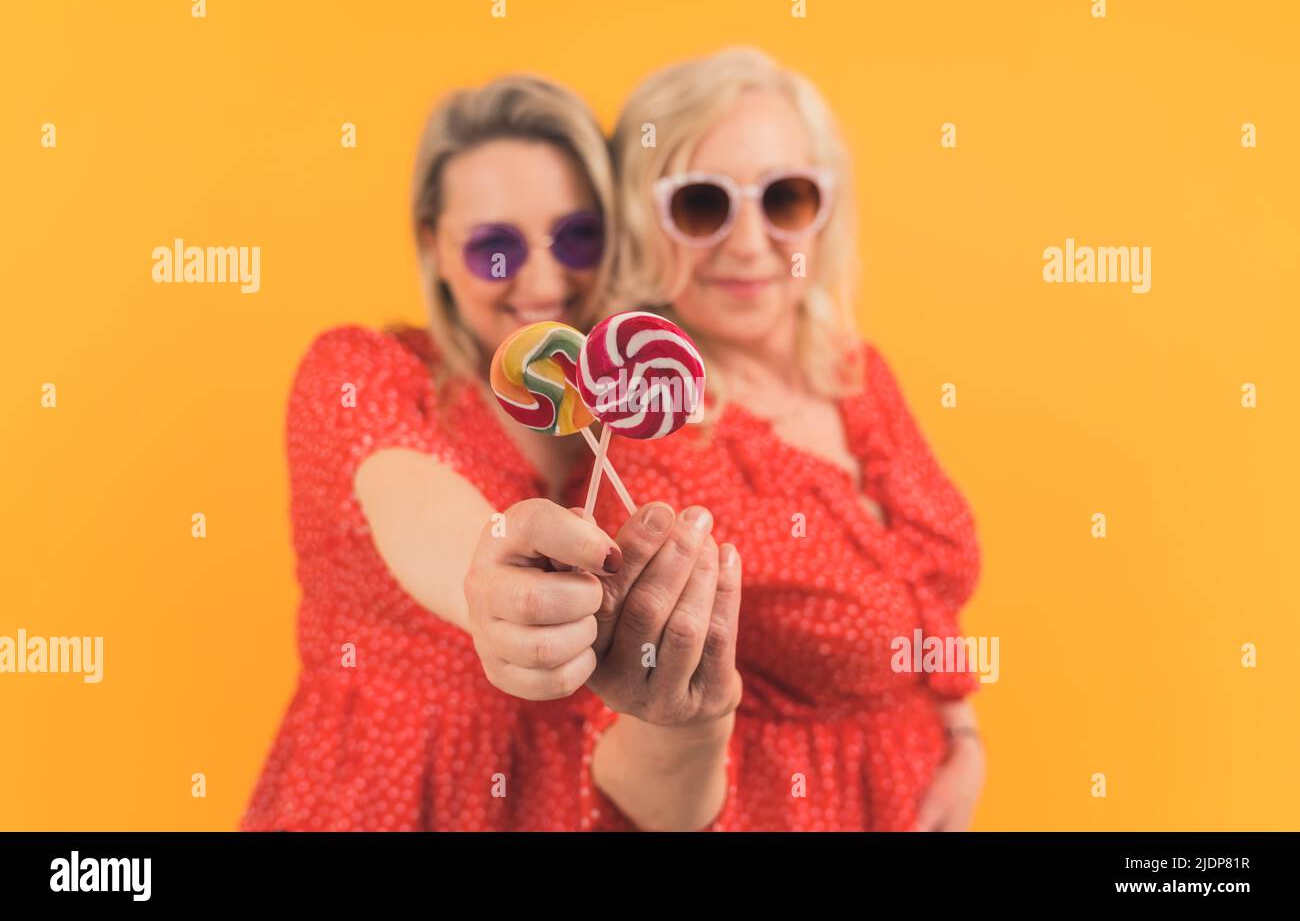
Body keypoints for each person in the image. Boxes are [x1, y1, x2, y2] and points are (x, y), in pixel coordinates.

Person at [240, 75, 733, 831]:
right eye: (494, 249)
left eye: (577, 236)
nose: (542, 279)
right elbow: (417, 505)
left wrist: (691, 720)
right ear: (433, 245)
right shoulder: (362, 374)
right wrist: (492, 575)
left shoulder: (647, 430)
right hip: (374, 802)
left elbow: (662, 795)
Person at [582, 46, 987, 830]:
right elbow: (617, 720)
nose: (746, 243)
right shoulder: (641, 442)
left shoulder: (856, 373)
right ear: (639, 219)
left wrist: (961, 737)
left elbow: (927, 591)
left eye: (785, 199)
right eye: (701, 205)